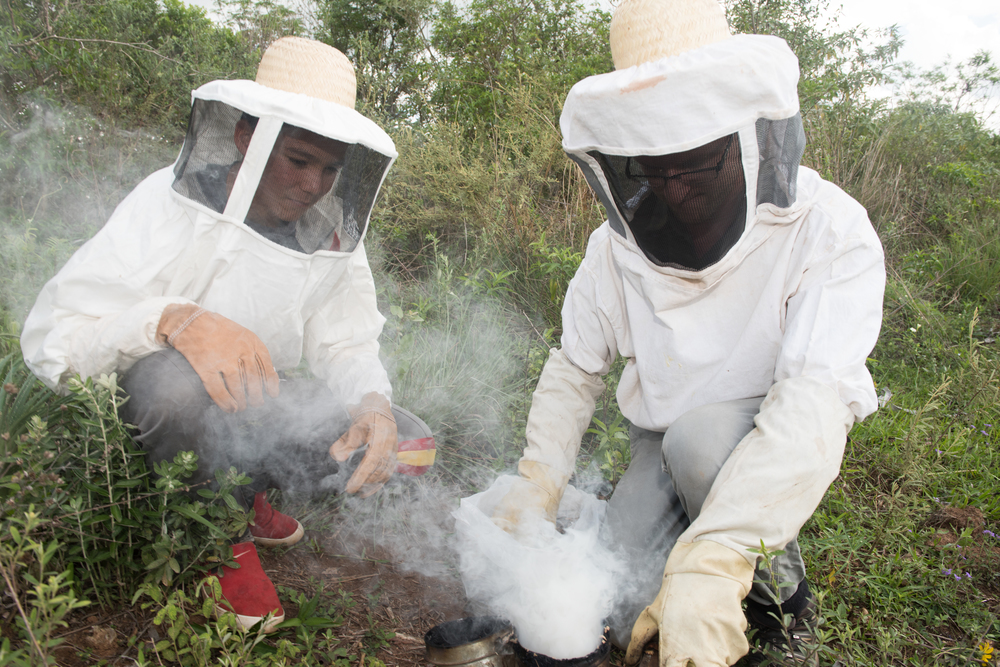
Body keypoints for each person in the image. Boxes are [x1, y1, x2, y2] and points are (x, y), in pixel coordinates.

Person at [491, 0, 885, 665]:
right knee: (610, 606)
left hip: (765, 432)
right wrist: (539, 478)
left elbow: (814, 399)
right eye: (652, 160)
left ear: (745, 133)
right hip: (662, 442)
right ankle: (688, 542)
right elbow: (575, 368)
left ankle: (784, 609)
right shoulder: (613, 248)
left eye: (693, 154)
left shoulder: (829, 228)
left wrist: (717, 559)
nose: (673, 184)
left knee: (700, 445)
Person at [20, 37, 436, 633]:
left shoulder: (333, 235)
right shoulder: (167, 205)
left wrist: (373, 405)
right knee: (174, 386)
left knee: (410, 439)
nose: (315, 183)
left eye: (330, 169)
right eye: (299, 159)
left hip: (259, 397)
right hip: (150, 408)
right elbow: (53, 336)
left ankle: (245, 492)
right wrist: (173, 321)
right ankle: (215, 539)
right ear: (249, 137)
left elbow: (346, 343)